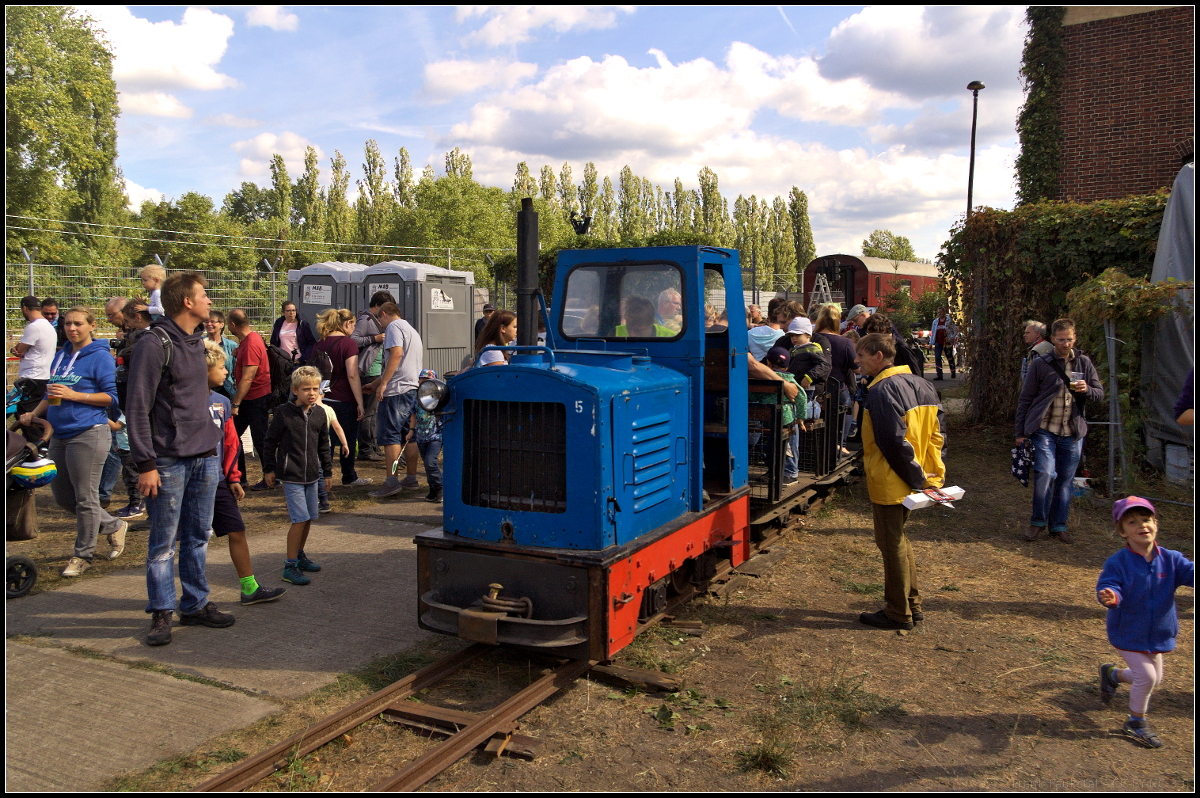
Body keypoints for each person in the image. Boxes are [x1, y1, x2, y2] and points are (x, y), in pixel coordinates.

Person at [16, 307, 129, 575]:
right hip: (59, 433)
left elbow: (111, 398)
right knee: (64, 499)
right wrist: (34, 413)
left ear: (92, 326)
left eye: (78, 323)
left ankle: (82, 556)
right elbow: (52, 393)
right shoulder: (61, 355)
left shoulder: (100, 357)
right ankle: (113, 525)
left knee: (86, 498)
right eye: (68, 324)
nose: (72, 328)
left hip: (88, 432)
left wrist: (75, 395)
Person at [854, 332, 945, 630]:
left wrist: (917, 479)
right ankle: (911, 604)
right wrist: (930, 475)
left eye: (862, 355)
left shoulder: (881, 391)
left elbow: (892, 442)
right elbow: (938, 435)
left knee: (891, 543)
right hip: (917, 474)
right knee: (899, 541)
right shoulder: (922, 384)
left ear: (878, 356)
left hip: (893, 478)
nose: (857, 361)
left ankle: (898, 611)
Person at [1096, 497, 1194, 749]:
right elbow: (1109, 584)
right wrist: (1111, 595)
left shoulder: (1171, 559)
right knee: (1147, 677)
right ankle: (1136, 722)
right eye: (1132, 522)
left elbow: (1191, 573)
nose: (1142, 525)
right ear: (1122, 531)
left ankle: (1112, 675)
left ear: (1156, 524)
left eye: (1146, 519)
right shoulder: (1118, 562)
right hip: (1128, 631)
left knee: (1153, 679)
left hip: (1158, 633)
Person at [203, 341, 286, 606]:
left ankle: (249, 588)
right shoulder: (182, 401)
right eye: (221, 367)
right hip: (193, 481)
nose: (227, 372)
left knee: (237, 530)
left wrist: (233, 477)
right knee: (194, 539)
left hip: (219, 480)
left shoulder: (222, 402)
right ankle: (192, 598)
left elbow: (230, 443)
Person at [1015, 318, 1104, 544]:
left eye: (1069, 339)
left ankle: (1058, 525)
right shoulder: (1041, 363)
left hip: (1072, 431)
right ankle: (1037, 522)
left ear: (1075, 338)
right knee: (1045, 473)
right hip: (1044, 428)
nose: (1066, 344)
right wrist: (1020, 433)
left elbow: (1099, 393)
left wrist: (1087, 389)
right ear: (1053, 339)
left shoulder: (1083, 362)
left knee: (1065, 480)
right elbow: (1025, 399)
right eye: (1061, 339)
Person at [263, 366, 333, 586]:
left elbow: (324, 446)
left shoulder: (320, 413)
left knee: (309, 517)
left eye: (315, 389)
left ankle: (300, 555)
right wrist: (269, 469)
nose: (311, 393)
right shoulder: (283, 413)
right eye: (306, 389)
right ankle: (290, 565)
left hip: (312, 475)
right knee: (299, 518)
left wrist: (327, 472)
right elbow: (270, 442)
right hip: (291, 475)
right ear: (295, 390)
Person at [368, 302, 424, 498]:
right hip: (411, 388)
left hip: (396, 391)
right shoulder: (411, 330)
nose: (380, 324)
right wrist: (376, 383)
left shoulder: (393, 327)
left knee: (390, 436)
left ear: (384, 314)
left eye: (379, 319)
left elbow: (396, 354)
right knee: (409, 435)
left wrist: (383, 384)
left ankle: (391, 482)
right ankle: (411, 478)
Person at [310, 308, 370, 488]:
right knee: (348, 438)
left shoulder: (319, 343)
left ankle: (322, 475)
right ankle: (348, 475)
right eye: (353, 324)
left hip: (322, 398)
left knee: (325, 440)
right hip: (344, 398)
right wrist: (359, 402)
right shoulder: (348, 344)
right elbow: (352, 374)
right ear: (347, 323)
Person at [227, 309, 274, 491]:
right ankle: (240, 477)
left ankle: (271, 476)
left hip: (255, 397)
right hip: (250, 397)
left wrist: (236, 403)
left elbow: (248, 378)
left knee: (260, 437)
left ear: (233, 325)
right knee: (233, 434)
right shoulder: (250, 340)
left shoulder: (251, 343)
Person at [353, 291, 396, 462]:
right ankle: (365, 449)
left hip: (377, 371)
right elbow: (353, 339)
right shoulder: (366, 320)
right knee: (368, 412)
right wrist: (374, 338)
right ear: (377, 306)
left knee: (374, 412)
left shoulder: (375, 320)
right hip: (368, 371)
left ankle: (373, 446)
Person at [762, 346, 805, 483]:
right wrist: (801, 417)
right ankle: (790, 473)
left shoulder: (763, 378)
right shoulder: (789, 380)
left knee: (771, 444)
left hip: (766, 419)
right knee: (789, 445)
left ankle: (773, 471)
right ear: (786, 367)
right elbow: (802, 397)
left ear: (768, 363)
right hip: (786, 420)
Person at [407, 369, 446, 503]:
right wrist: (411, 431)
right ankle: (433, 489)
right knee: (426, 464)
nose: (425, 384)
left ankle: (440, 487)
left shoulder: (439, 398)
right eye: (422, 380)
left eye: (428, 381)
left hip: (436, 435)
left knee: (431, 462)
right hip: (421, 436)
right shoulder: (416, 398)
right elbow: (413, 415)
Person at [12, 296, 57, 409]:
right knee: (40, 412)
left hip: (33, 376)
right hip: (45, 375)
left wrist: (14, 349)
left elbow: (19, 351)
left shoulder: (34, 326)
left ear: (24, 308)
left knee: (24, 412)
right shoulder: (47, 325)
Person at [204, 309, 239, 398]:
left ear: (221, 324)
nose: (209, 324)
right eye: (206, 322)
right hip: (205, 389)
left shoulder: (232, 346)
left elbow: (236, 370)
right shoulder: (200, 343)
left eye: (212, 321)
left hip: (227, 389)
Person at [270, 300, 317, 365]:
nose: (291, 313)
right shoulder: (279, 323)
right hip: (282, 361)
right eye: (288, 311)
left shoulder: (302, 324)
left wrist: (302, 358)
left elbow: (311, 343)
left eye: (293, 310)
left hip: (297, 360)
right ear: (283, 312)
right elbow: (273, 342)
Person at [1020, 320, 1054, 386]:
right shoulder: (1047, 346)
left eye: (1027, 333)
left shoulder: (1037, 350)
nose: (1024, 335)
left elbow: (1034, 377)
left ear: (1037, 334)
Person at [930, 308, 958, 380]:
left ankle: (953, 371)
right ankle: (939, 374)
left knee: (949, 357)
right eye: (938, 312)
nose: (939, 313)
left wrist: (951, 337)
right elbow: (933, 333)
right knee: (937, 357)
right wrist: (931, 343)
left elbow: (955, 330)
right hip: (938, 342)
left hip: (947, 342)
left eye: (941, 312)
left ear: (944, 312)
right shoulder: (935, 322)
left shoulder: (949, 321)